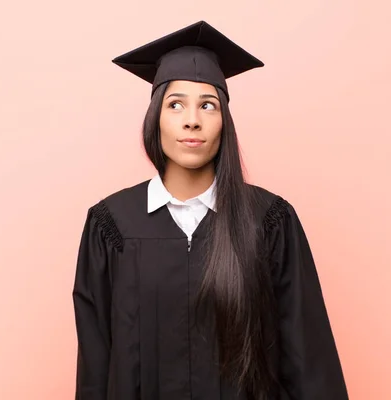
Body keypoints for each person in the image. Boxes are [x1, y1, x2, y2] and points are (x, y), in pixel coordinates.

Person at [72, 20, 349, 400]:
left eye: (208, 105)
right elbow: (96, 366)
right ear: (156, 117)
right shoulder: (111, 226)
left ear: (224, 123)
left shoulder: (268, 222)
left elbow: (309, 361)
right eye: (175, 104)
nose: (192, 119)